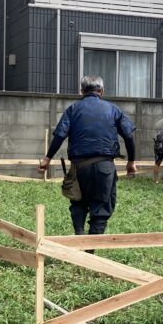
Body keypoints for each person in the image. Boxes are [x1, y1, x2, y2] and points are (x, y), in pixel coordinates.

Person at [38, 75, 136, 235]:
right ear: (102, 91)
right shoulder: (113, 109)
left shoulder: (73, 109)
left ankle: (80, 236)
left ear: (81, 91)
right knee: (101, 208)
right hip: (104, 167)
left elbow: (60, 135)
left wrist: (47, 158)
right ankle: (89, 251)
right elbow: (129, 135)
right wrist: (131, 161)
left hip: (79, 168)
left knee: (78, 201)